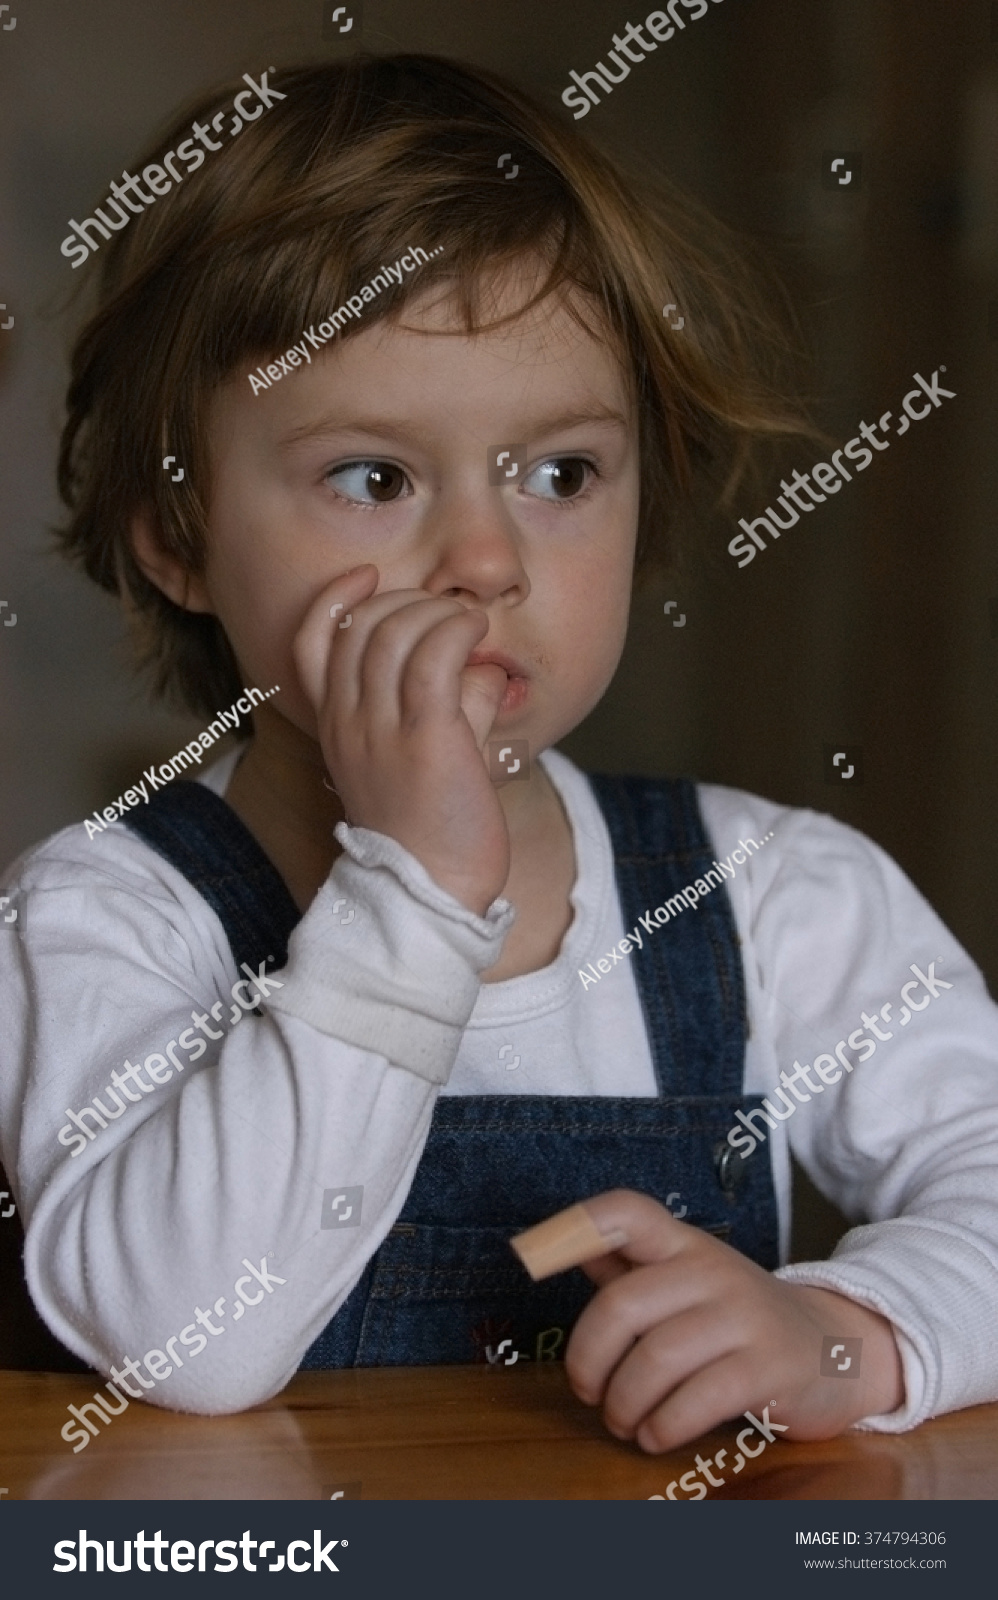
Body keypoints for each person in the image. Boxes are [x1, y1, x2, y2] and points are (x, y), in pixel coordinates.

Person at [2, 53, 997, 1456]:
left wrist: (854, 1329)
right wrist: (412, 886)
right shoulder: (105, 919)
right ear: (176, 541)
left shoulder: (771, 895)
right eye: (374, 477)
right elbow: (187, 1346)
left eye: (560, 474)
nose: (483, 560)